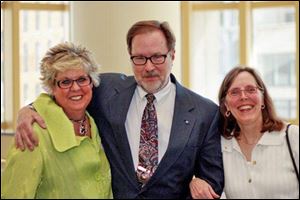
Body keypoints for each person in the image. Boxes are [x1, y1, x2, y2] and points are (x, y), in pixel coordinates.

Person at [13, 20, 224, 198]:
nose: (149, 67)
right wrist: (28, 109)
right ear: (130, 57)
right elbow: (66, 92)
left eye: (157, 57)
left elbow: (212, 180)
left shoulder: (204, 113)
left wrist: (199, 184)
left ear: (172, 55)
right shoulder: (106, 91)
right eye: (139, 58)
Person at [1, 42, 112, 199]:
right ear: (52, 88)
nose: (75, 88)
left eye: (81, 79)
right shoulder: (32, 133)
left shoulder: (96, 121)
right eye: (65, 82)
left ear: (92, 82)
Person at [190, 66, 299, 199]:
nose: (243, 97)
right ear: (226, 105)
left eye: (251, 90)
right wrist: (194, 182)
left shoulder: (293, 137)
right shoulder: (221, 145)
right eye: (234, 92)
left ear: (263, 98)